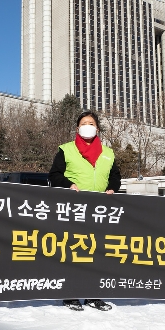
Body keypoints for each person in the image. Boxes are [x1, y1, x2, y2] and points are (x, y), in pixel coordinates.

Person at [49, 111, 121, 312]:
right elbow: (54, 175)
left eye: (91, 123)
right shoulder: (66, 150)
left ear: (97, 128)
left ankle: (94, 295)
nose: (87, 126)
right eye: (83, 123)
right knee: (74, 250)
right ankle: (70, 294)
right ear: (77, 128)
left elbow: (115, 176)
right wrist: (68, 185)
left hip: (99, 210)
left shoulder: (108, 153)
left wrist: (113, 188)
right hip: (74, 208)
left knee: (97, 253)